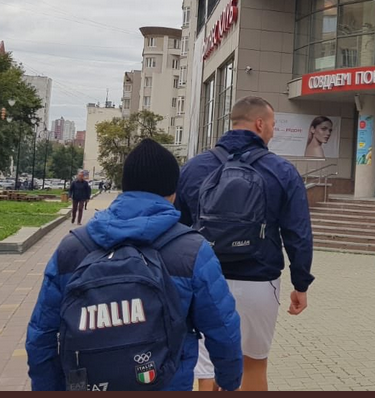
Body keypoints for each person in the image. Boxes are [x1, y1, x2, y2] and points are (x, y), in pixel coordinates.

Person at [26, 139, 243, 391]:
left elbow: (41, 335)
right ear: (173, 193)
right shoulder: (192, 250)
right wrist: (229, 380)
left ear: (124, 187)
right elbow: (222, 327)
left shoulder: (73, 247)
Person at [175, 96, 314, 391]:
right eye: (273, 125)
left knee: (208, 368)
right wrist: (301, 284)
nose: (274, 132)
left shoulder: (195, 167)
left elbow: (178, 229)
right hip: (259, 281)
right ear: (260, 124)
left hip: (206, 279)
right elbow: (298, 234)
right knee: (253, 363)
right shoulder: (282, 171)